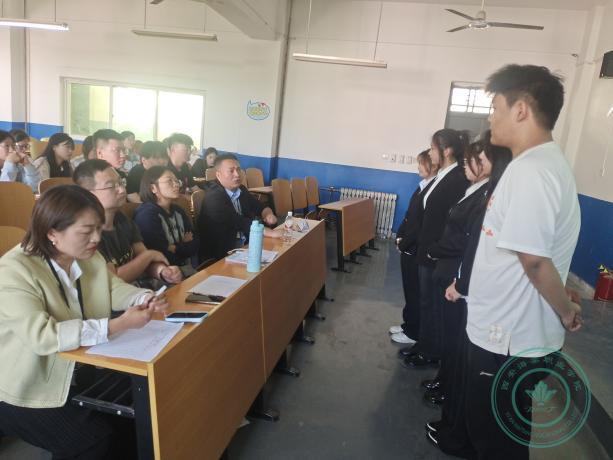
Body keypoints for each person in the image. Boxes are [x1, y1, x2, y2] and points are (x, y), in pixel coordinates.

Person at [457, 65, 582, 459]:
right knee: (497, 437)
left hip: (507, 340)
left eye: (495, 107)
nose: (490, 118)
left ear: (522, 110)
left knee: (495, 443)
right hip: (507, 335)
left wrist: (566, 312)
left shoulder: (533, 171)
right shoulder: (538, 165)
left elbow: (535, 261)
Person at [0, 185, 168, 459]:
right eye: (86, 231)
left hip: (80, 366)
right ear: (52, 232)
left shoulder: (88, 258)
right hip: (28, 385)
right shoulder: (13, 270)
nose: (96, 238)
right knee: (91, 440)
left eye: (99, 229)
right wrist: (117, 325)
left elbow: (112, 288)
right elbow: (43, 336)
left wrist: (144, 297)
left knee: (141, 409)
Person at [403, 129, 469, 369]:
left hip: (436, 254)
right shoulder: (442, 175)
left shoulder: (457, 179)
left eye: (433, 148)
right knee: (425, 302)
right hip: (426, 251)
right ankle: (424, 345)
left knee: (433, 305)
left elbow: (450, 221)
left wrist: (435, 249)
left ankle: (431, 352)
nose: (430, 153)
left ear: (447, 150)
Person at [73, 159, 183, 287]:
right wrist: (149, 256)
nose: (121, 189)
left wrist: (162, 271)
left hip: (142, 291)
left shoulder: (122, 219)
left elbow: (143, 256)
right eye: (111, 186)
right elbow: (113, 278)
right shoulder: (86, 234)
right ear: (88, 194)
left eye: (121, 182)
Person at [389, 150, 438, 346]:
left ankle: (413, 331)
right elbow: (409, 217)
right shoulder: (423, 185)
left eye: (421, 163)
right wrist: (399, 236)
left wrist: (404, 243)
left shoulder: (433, 187)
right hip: (408, 246)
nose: (418, 167)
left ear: (433, 166)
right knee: (409, 290)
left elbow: (420, 224)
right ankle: (408, 324)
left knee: (415, 292)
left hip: (415, 248)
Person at [197, 153, 281, 261]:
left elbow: (260, 206)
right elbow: (239, 222)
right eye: (231, 171)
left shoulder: (241, 189)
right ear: (218, 175)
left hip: (243, 246)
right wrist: (271, 232)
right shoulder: (213, 197)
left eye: (238, 170)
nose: (237, 174)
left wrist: (268, 214)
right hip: (221, 254)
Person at [134, 166, 199, 271]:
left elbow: (195, 243)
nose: (176, 184)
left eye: (176, 181)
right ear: (153, 188)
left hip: (188, 268)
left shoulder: (178, 210)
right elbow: (161, 254)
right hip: (166, 273)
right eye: (169, 181)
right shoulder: (146, 215)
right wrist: (183, 244)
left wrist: (175, 247)